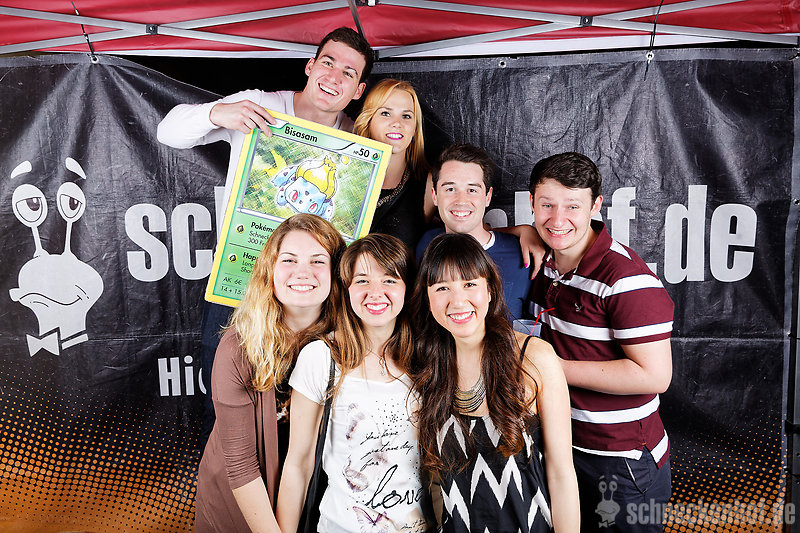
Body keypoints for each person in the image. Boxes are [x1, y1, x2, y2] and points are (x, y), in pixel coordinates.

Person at [156, 26, 373, 449]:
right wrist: (218, 113)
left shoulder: (358, 140)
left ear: (358, 89)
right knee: (226, 403)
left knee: (304, 410)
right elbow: (168, 131)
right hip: (239, 286)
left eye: (348, 72)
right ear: (310, 66)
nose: (334, 76)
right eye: (328, 62)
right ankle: (228, 489)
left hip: (311, 298)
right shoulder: (261, 105)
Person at [525, 152, 674, 533]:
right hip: (562, 449)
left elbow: (655, 376)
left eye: (572, 206)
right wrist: (519, 231)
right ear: (532, 204)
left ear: (595, 206)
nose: (558, 219)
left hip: (621, 461)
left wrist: (550, 368)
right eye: (547, 205)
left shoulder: (626, 278)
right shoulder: (547, 260)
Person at [410, 232, 579, 533]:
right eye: (442, 287)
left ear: (490, 289)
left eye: (470, 284)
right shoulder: (426, 367)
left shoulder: (533, 357)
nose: (457, 300)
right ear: (428, 298)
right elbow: (435, 481)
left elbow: (561, 473)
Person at [194, 213, 346, 533]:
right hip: (241, 504)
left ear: (336, 273)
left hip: (312, 503)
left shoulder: (348, 343)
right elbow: (241, 467)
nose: (302, 272)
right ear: (270, 270)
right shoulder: (238, 347)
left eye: (318, 260)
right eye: (288, 260)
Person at [277, 234, 432, 533]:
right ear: (346, 289)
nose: (375, 292)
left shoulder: (427, 359)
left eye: (389, 280)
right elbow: (298, 464)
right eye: (362, 281)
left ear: (407, 288)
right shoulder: (322, 357)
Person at [416, 143, 531, 320]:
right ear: (434, 195)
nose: (461, 200)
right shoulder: (426, 244)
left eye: (472, 190)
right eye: (450, 189)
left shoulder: (522, 254)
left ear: (488, 197)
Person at [353, 78, 434, 249]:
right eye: (385, 113)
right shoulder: (344, 174)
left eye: (406, 116)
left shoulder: (428, 185)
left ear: (414, 128)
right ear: (369, 120)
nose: (397, 123)